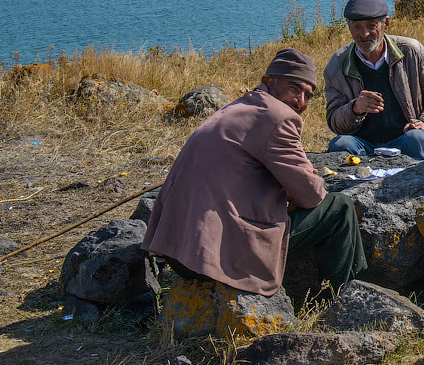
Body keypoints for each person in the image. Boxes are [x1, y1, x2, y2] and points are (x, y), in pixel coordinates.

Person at [142, 48, 367, 296]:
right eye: (294, 88)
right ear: (268, 82)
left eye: (307, 95)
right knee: (339, 209)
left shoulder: (236, 108)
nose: (300, 101)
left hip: (177, 252)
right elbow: (311, 195)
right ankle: (350, 299)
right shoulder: (278, 117)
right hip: (216, 257)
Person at [323, 0, 424, 159]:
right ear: (348, 26)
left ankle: (423, 182)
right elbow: (334, 120)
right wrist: (355, 108)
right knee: (341, 145)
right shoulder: (337, 64)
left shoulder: (411, 51)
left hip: (405, 138)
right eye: (356, 26)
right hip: (362, 143)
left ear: (386, 25)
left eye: (371, 26)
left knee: (417, 138)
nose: (364, 34)